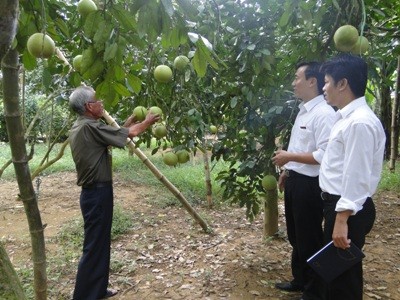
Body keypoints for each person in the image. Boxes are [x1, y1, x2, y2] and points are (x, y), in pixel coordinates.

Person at [68, 85, 160, 300]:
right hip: (96, 194)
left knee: (100, 243)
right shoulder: (90, 126)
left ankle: (97, 290)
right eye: (98, 101)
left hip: (96, 193)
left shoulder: (84, 126)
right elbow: (134, 133)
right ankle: (83, 296)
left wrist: (127, 125)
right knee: (94, 246)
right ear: (89, 106)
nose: (101, 104)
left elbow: (115, 139)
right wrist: (146, 122)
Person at [319, 54, 386, 300]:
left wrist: (342, 217)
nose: (323, 87)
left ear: (342, 84)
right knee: (336, 275)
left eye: (326, 82)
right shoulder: (345, 119)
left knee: (343, 281)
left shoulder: (359, 123)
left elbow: (356, 175)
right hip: (338, 206)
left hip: (347, 209)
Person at [272, 62, 336, 300]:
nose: (293, 82)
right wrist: (287, 171)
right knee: (295, 235)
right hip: (296, 181)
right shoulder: (304, 110)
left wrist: (289, 157)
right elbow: (299, 147)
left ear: (312, 81)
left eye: (297, 77)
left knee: (309, 238)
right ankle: (300, 279)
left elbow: (325, 155)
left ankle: (314, 291)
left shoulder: (324, 114)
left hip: (311, 185)